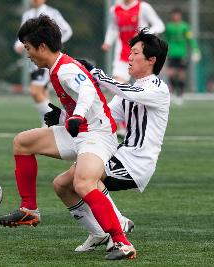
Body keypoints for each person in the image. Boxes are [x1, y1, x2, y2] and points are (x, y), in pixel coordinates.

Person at [0, 15, 136, 260]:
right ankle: (29, 209)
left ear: (41, 47)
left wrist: (76, 116)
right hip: (80, 132)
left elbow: (87, 91)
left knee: (82, 183)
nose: (27, 54)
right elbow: (82, 101)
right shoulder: (57, 68)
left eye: (28, 48)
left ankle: (122, 242)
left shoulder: (66, 69)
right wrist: (63, 117)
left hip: (97, 136)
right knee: (24, 144)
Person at [53, 28, 169, 255]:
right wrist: (62, 117)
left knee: (84, 179)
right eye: (130, 51)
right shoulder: (129, 90)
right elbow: (103, 119)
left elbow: (127, 91)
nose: (130, 57)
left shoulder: (158, 89)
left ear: (151, 60)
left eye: (135, 52)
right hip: (121, 154)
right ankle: (98, 232)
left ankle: (119, 227)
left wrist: (96, 73)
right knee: (61, 184)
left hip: (137, 162)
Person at [102, 0, 164, 136]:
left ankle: (143, 124)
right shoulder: (115, 9)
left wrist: (146, 35)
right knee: (118, 87)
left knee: (142, 92)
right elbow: (113, 28)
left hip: (142, 56)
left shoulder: (143, 7)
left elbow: (159, 25)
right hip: (123, 55)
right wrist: (107, 42)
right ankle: (121, 127)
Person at [14, 0, 72, 127]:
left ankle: (61, 121)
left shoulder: (52, 12)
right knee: (43, 94)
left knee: (35, 91)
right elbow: (22, 36)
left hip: (45, 59)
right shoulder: (27, 14)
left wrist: (53, 44)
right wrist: (18, 45)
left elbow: (67, 30)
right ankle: (48, 125)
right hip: (33, 61)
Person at [165, 7, 201, 105]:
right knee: (170, 73)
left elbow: (190, 39)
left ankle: (180, 95)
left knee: (181, 75)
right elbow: (166, 40)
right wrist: (165, 51)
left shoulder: (185, 27)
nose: (175, 16)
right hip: (172, 53)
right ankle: (172, 94)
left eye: (177, 14)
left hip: (182, 54)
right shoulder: (169, 27)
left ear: (180, 15)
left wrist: (196, 50)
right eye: (174, 14)